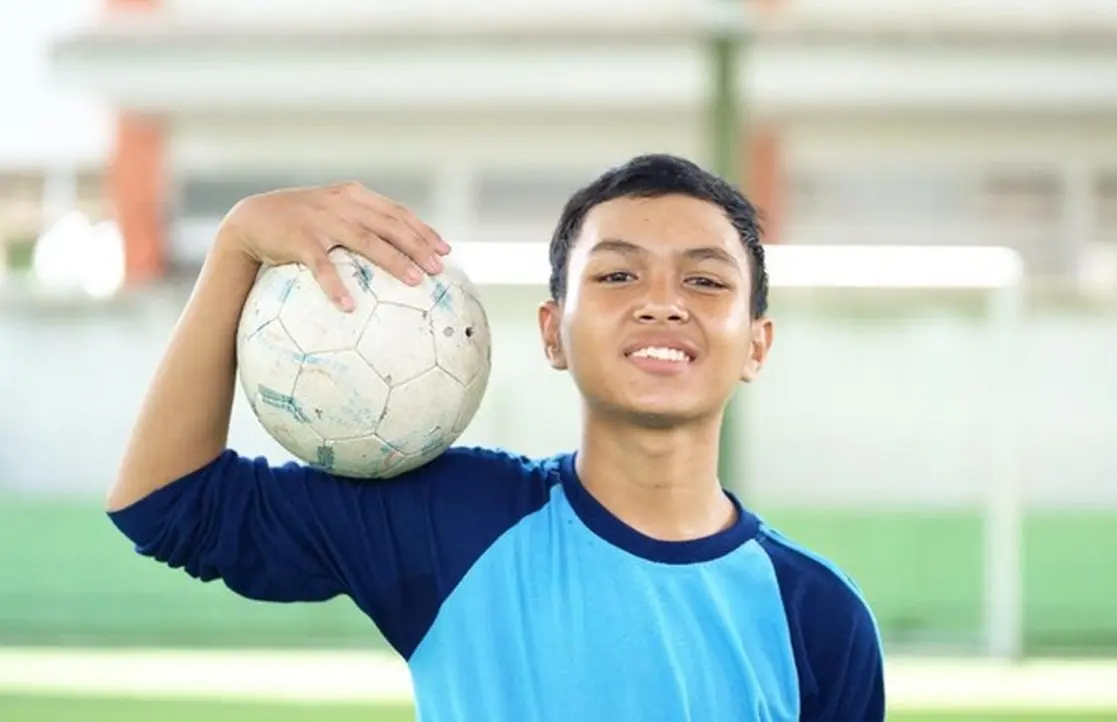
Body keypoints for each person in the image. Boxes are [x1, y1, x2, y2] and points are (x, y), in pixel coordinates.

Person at [106, 153, 885, 721]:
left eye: (705, 280)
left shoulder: (817, 617)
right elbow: (166, 505)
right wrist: (238, 243)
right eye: (617, 275)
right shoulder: (453, 522)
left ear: (756, 343)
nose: (661, 303)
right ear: (553, 333)